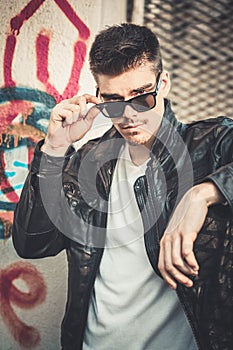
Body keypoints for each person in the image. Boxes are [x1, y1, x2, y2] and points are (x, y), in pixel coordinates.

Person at [12, 23, 233, 350]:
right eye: (114, 102)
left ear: (164, 84)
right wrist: (55, 150)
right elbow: (32, 243)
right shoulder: (88, 165)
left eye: (141, 98)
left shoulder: (210, 146)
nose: (129, 115)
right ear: (99, 98)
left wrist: (204, 192)